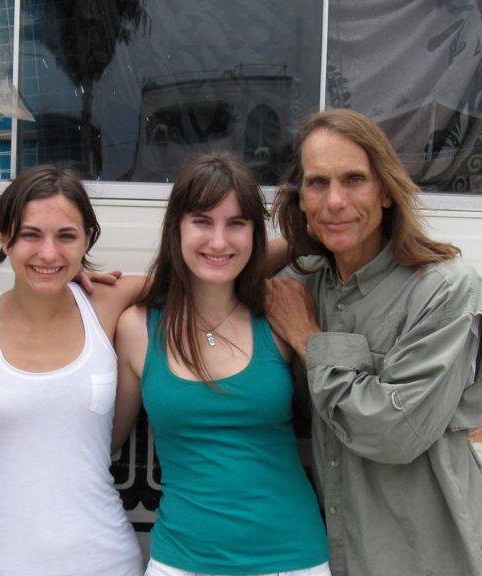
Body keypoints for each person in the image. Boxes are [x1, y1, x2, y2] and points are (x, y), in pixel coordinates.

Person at [266, 108, 482, 576]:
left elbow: (393, 432)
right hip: (339, 553)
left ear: (385, 191)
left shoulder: (445, 292)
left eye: (353, 179)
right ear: (299, 198)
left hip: (430, 557)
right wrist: (295, 241)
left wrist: (305, 337)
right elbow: (208, 273)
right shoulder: (309, 283)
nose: (335, 200)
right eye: (317, 184)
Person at [114, 152, 331, 576]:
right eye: (202, 222)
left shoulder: (282, 312)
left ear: (254, 233)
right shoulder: (137, 327)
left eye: (236, 224)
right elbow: (100, 444)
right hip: (181, 561)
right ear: (175, 227)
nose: (219, 242)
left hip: (293, 560)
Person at [0, 164, 145, 576]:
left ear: (88, 238)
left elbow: (211, 271)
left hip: (108, 562)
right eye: (31, 235)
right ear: (3, 235)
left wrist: (302, 239)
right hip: (6, 563)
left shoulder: (107, 303)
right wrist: (5, 486)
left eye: (66, 236)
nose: (48, 253)